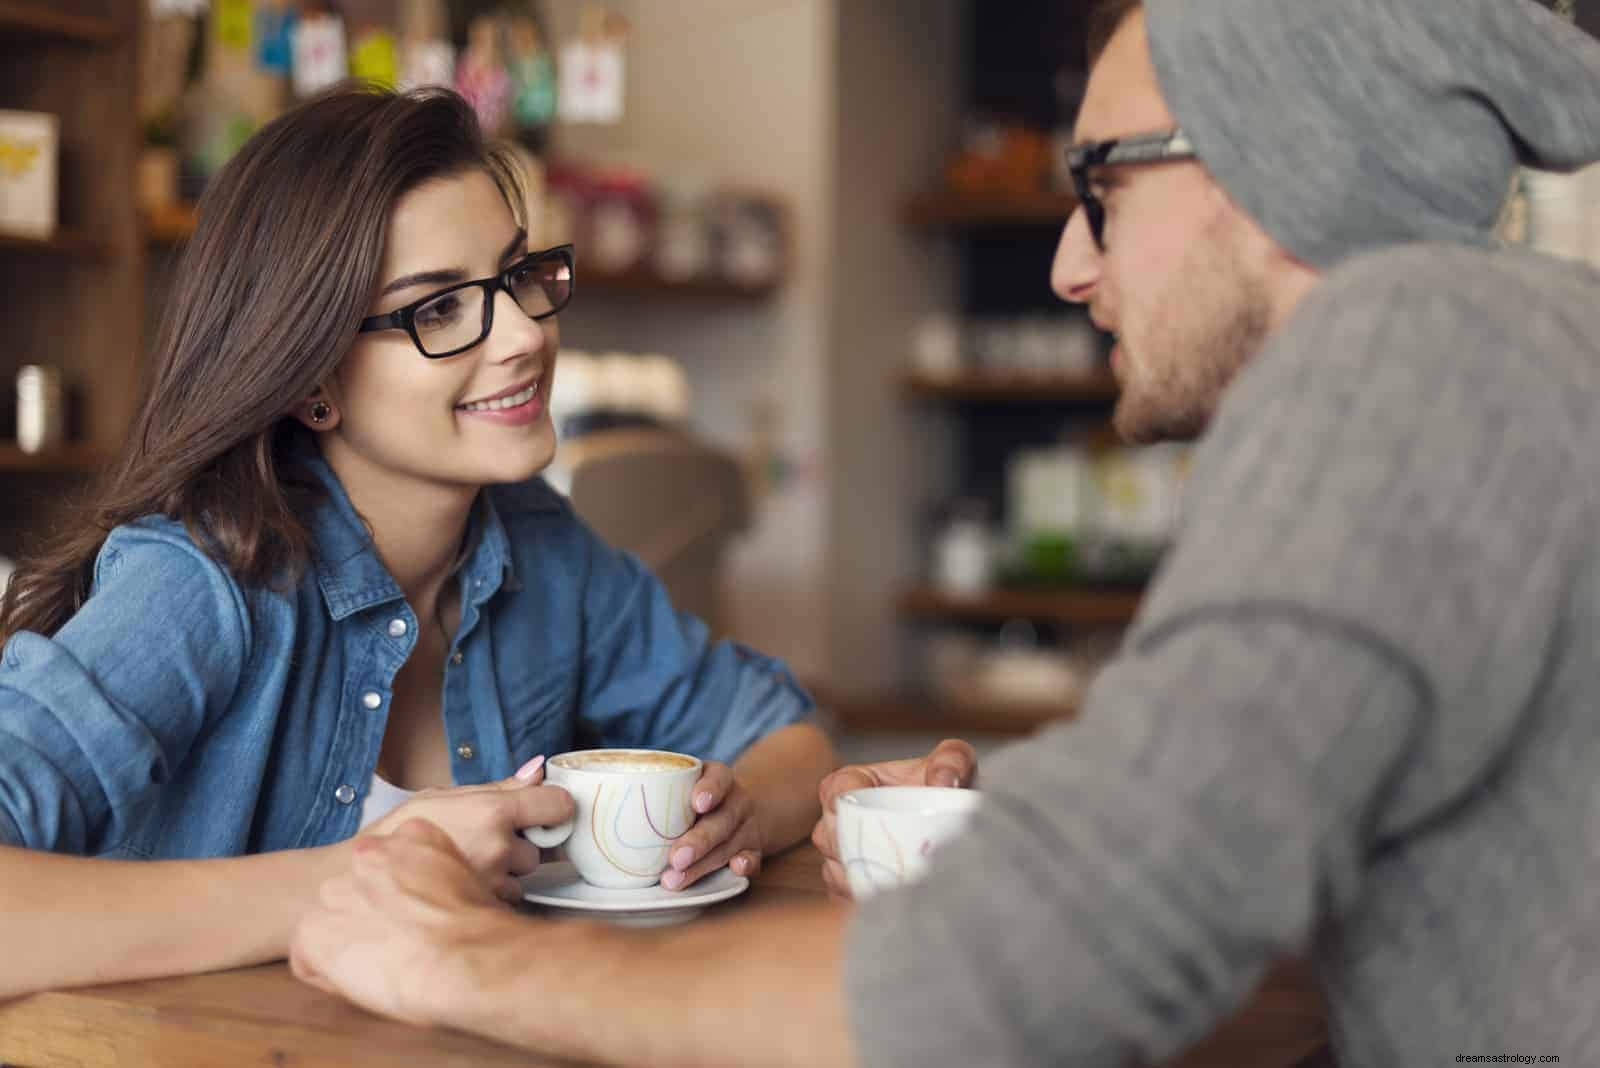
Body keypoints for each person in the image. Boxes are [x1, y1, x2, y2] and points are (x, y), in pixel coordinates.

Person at [289, 1, 1600, 1064]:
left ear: (1276, 155)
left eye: (1100, 185)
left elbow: (1050, 975)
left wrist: (467, 959)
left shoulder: (1412, 357)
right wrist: (1021, 822)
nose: (1068, 267)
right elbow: (1284, 787)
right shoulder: (1504, 349)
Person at [0, 84, 834, 1000]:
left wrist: (735, 819)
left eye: (518, 276)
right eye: (437, 310)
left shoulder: (542, 551)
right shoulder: (203, 581)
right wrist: (374, 876)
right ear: (311, 376)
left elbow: (786, 738)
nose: (524, 333)